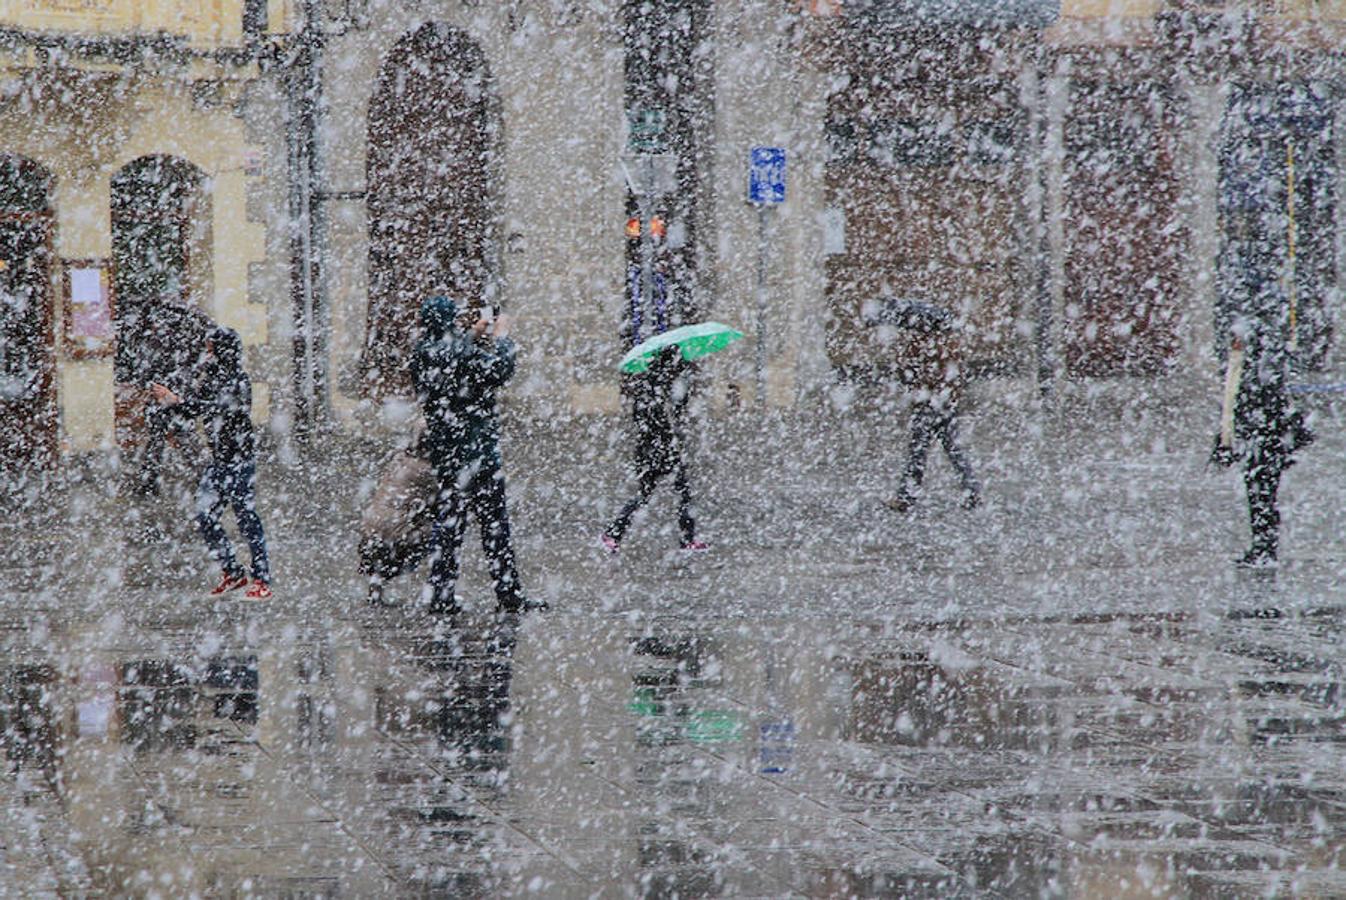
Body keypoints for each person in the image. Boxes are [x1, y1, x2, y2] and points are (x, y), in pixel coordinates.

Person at [412, 295, 538, 615]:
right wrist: (502, 338)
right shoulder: (460, 352)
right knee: (495, 526)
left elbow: (450, 361)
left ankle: (441, 592)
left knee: (449, 527)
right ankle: (508, 593)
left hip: (447, 456)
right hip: (477, 454)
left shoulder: (422, 352)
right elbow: (498, 371)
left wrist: (470, 337)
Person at [151, 326, 271, 599]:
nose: (207, 353)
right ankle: (233, 571)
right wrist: (174, 408)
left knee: (246, 519)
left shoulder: (239, 380)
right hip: (219, 461)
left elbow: (221, 408)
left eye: (211, 347)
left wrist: (179, 401)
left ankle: (262, 578)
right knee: (205, 515)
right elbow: (197, 407)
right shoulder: (210, 377)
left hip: (240, 460)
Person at [601, 346, 707, 554]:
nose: (675, 371)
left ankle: (687, 539)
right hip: (654, 452)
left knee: (679, 492)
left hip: (659, 451)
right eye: (674, 367)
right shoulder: (652, 391)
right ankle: (613, 533)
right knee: (651, 494)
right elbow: (652, 424)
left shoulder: (658, 388)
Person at [877, 301, 980, 513]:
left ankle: (906, 498)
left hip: (929, 406)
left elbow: (917, 377)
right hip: (944, 405)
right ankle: (972, 492)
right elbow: (953, 378)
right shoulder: (949, 344)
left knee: (919, 453)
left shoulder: (927, 347)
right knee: (951, 450)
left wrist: (907, 360)